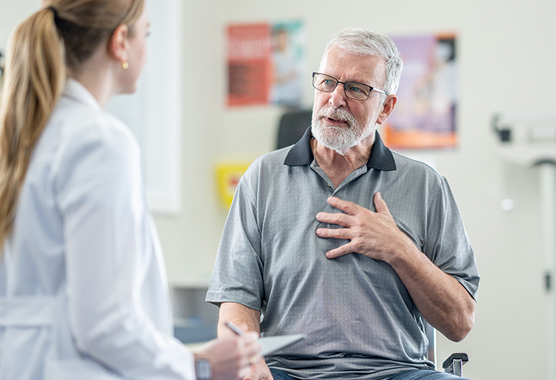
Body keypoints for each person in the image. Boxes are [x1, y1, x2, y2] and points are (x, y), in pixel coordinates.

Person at [0, 1, 261, 380]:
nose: (148, 48)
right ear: (120, 42)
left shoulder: (22, 139)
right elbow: (104, 324)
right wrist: (197, 366)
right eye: (147, 34)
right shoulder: (98, 142)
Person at [206, 28, 479, 380]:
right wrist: (249, 362)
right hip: (289, 373)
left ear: (386, 107)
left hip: (396, 372)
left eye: (356, 88)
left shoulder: (426, 186)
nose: (335, 99)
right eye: (327, 82)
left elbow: (459, 322)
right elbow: (236, 305)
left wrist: (399, 248)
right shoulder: (262, 178)